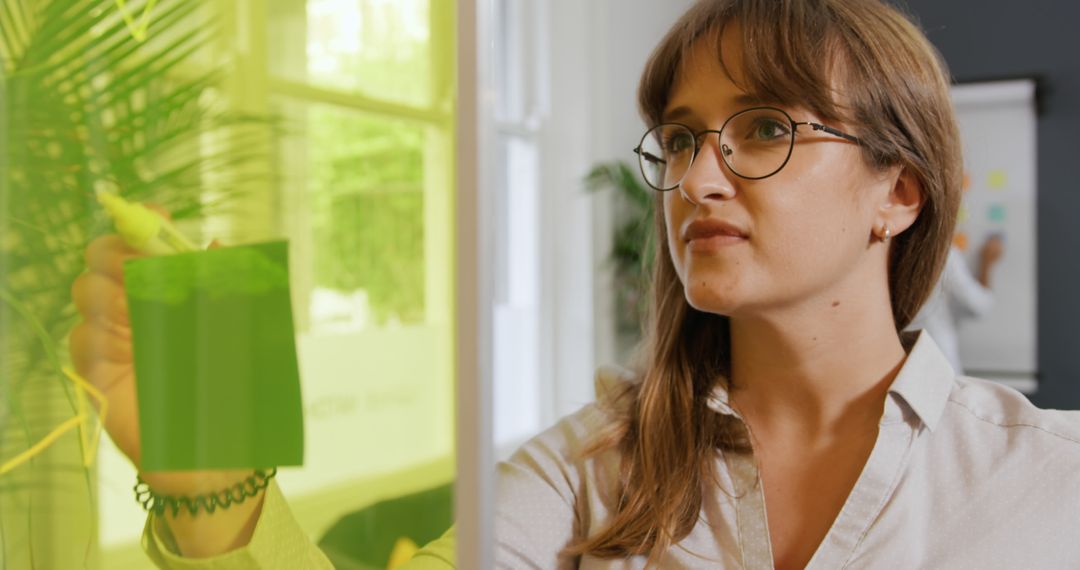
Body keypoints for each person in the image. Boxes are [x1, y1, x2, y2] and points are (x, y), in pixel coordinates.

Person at [70, 0, 1080, 568]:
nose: (698, 176)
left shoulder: (1058, 486)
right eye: (682, 139)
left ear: (896, 193)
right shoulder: (579, 479)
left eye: (766, 127)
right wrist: (212, 485)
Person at [907, 237, 1005, 373]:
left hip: (896, 361)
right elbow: (980, 305)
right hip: (939, 356)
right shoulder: (943, 254)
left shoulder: (883, 251)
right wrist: (987, 262)